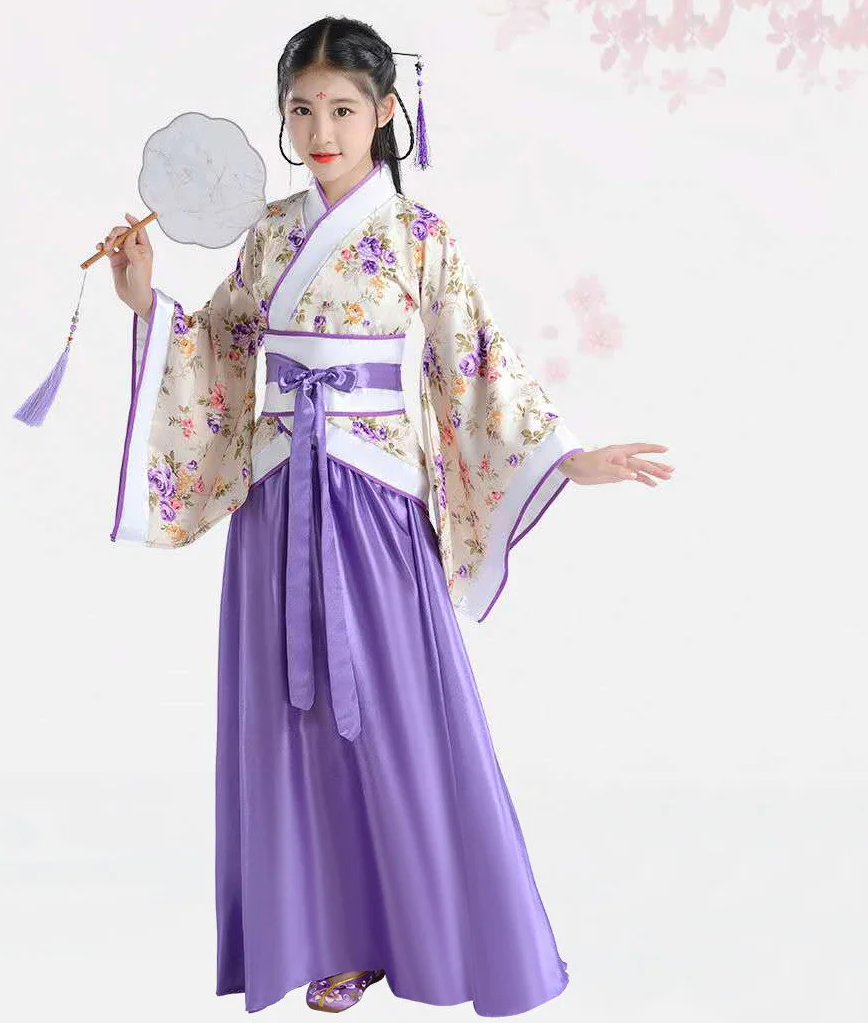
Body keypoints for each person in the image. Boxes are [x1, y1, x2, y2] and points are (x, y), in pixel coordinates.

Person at [98, 16, 673, 1016]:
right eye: (301, 110)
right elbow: (221, 352)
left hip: (374, 501)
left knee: (401, 720)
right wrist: (148, 302)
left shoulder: (419, 238)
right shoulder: (270, 234)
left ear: (385, 112)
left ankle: (434, 934)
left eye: (341, 109)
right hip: (278, 498)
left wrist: (567, 455)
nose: (320, 130)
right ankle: (326, 939)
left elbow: (474, 363)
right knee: (291, 723)